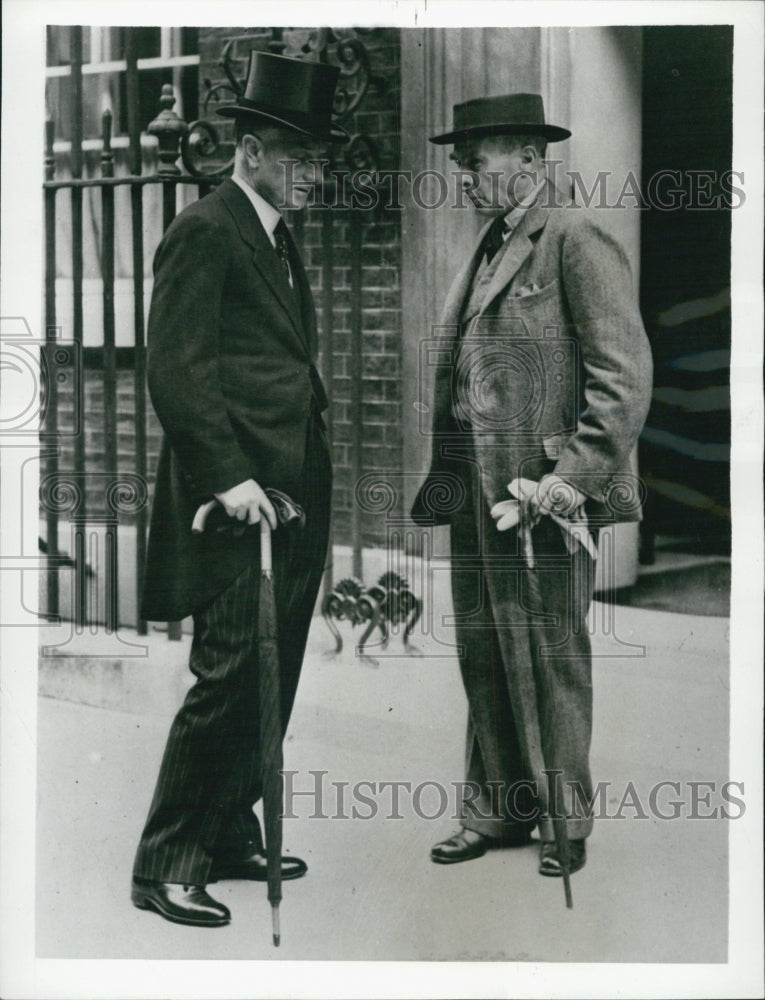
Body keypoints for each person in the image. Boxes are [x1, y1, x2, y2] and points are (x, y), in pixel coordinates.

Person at [131, 51, 347, 928]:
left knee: (274, 671)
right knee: (228, 678)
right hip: (234, 503)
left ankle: (227, 829)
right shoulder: (207, 228)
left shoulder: (273, 233)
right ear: (252, 149)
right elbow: (177, 373)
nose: (312, 174)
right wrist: (229, 478)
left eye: (320, 159)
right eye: (298, 158)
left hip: (294, 494)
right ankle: (166, 861)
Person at [411, 93, 652, 877]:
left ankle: (563, 822)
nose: (465, 177)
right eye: (459, 165)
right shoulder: (488, 246)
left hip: (543, 497)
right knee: (484, 647)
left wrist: (568, 481)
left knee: (550, 651)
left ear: (528, 160)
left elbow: (622, 380)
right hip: (477, 491)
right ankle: (495, 813)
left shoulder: (574, 239)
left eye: (474, 162)